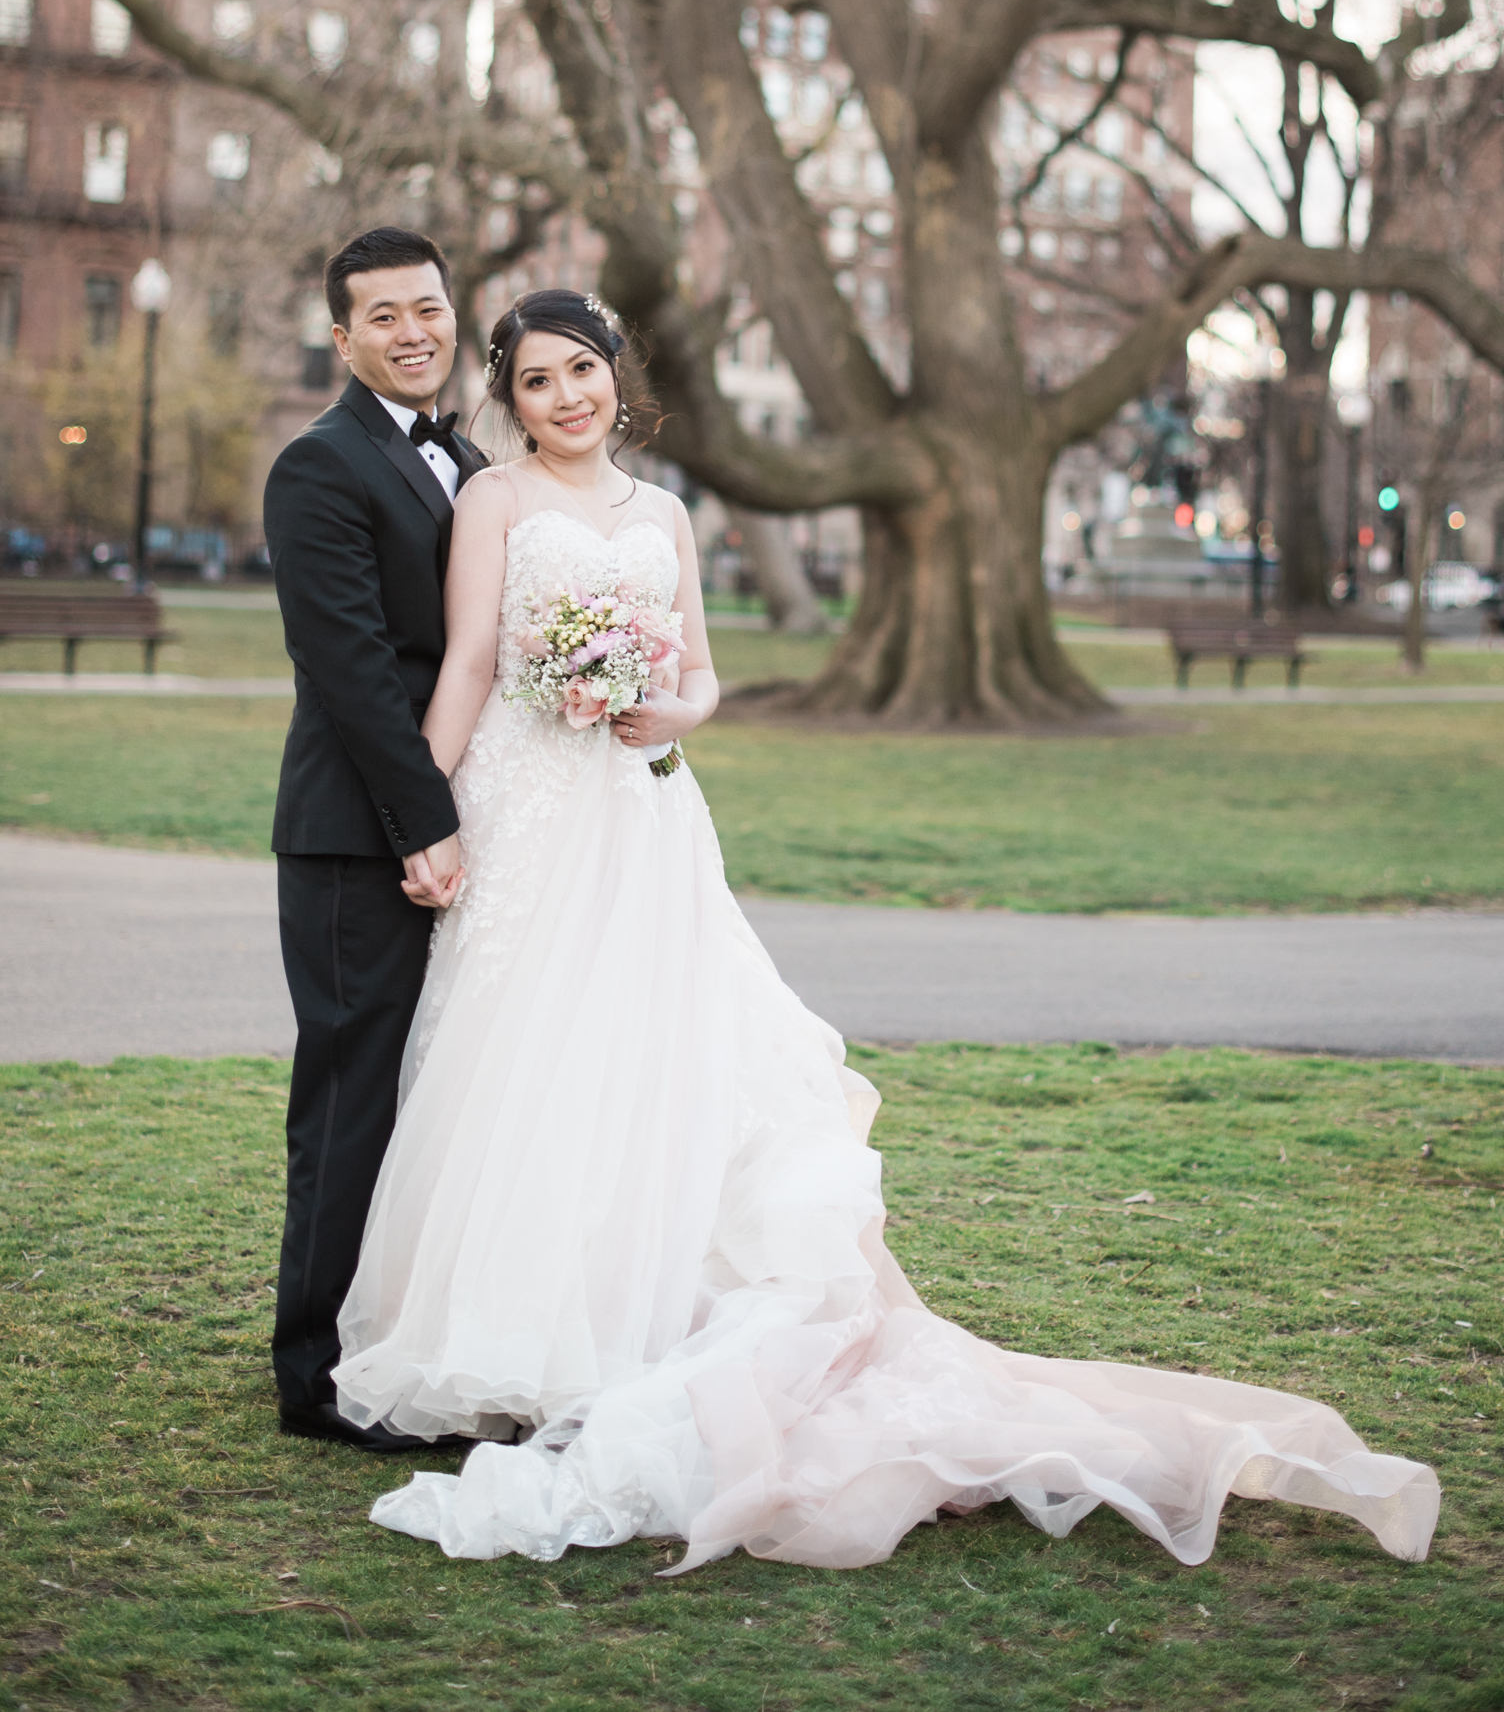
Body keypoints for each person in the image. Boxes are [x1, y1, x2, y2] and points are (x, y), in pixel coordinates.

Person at [334, 286, 1440, 1571]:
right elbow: (470, 655)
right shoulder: (496, 502)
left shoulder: (668, 515)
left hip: (642, 816)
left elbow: (699, 669)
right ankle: (508, 1329)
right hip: (525, 807)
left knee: (655, 1057)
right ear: (509, 399)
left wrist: (671, 712)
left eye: (582, 371)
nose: (565, 398)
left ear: (617, 376)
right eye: (535, 382)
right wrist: (425, 813)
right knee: (522, 1056)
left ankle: (626, 1323)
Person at [264, 224, 490, 1452]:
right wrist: (428, 822)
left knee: (433, 1095)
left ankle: (403, 1334)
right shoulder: (318, 466)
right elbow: (351, 669)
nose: (414, 331)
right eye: (383, 316)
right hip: (358, 836)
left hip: (449, 823)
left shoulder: (461, 455)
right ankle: (315, 1372)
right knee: (351, 1097)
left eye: (429, 307)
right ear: (342, 338)